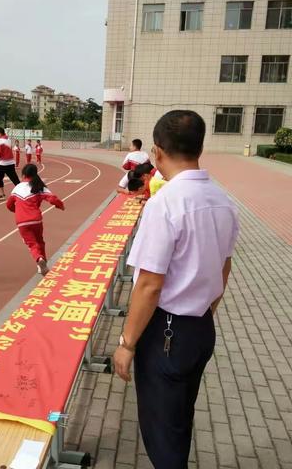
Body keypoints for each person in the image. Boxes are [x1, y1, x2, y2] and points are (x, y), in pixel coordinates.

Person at [114, 110, 239, 469]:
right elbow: (224, 267)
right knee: (179, 417)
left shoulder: (165, 204)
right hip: (199, 328)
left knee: (161, 429)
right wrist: (205, 311)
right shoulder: (222, 201)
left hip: (166, 332)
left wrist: (127, 344)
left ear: (157, 151)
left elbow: (150, 285)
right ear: (200, 147)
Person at [6, 163, 64, 276]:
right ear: (35, 173)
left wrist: (17, 211)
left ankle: (39, 260)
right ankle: (43, 263)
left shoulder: (17, 188)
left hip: (22, 221)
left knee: (32, 244)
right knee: (40, 241)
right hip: (36, 220)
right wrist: (60, 205)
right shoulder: (39, 186)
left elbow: (9, 205)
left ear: (23, 174)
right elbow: (52, 198)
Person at [0, 127, 20, 200]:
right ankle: (23, 193)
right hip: (11, 162)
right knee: (15, 179)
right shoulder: (8, 140)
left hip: (3, 163)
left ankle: (2, 194)